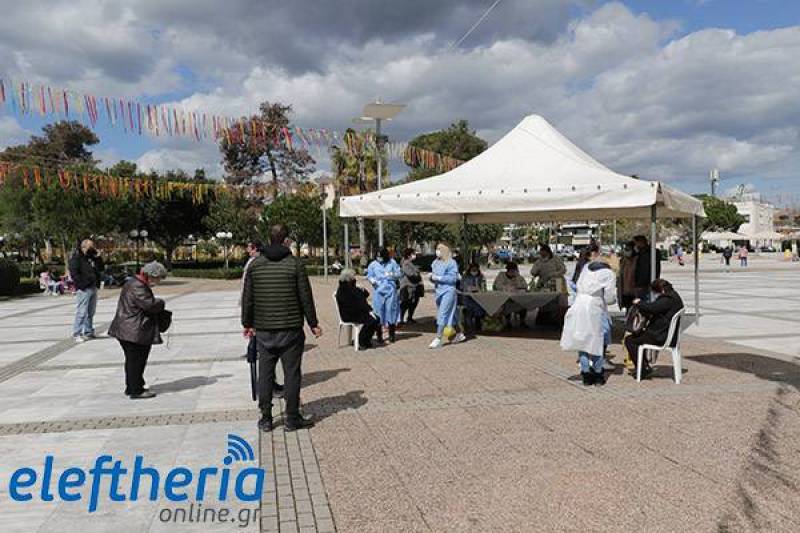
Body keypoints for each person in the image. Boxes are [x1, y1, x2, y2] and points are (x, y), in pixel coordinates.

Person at [242, 224, 322, 433]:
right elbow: (305, 296)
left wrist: (247, 324)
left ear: (269, 238)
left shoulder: (255, 265)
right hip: (291, 329)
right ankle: (292, 418)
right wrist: (313, 323)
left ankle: (266, 418)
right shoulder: (295, 264)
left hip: (264, 329)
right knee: (292, 374)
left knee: (265, 374)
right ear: (286, 241)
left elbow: (248, 298)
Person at [108, 261, 167, 399]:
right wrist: (161, 302)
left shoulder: (134, 282)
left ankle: (133, 386)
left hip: (128, 328)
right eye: (158, 278)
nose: (158, 282)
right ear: (150, 275)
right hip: (133, 330)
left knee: (133, 360)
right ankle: (136, 390)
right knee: (137, 360)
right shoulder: (138, 286)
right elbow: (150, 305)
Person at [560, 244, 616, 386]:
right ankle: (598, 374)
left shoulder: (586, 268)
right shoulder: (609, 273)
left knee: (582, 339)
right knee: (596, 340)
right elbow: (609, 298)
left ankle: (586, 374)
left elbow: (577, 285)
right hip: (595, 306)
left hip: (579, 304)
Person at [241, 240, 284, 398]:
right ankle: (268, 388)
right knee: (267, 358)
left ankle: (268, 388)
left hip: (259, 316)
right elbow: (248, 293)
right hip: (263, 318)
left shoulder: (254, 264)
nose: (247, 249)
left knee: (266, 357)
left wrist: (247, 321)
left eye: (249, 247)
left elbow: (247, 295)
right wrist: (248, 322)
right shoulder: (256, 264)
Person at [624, 279, 684, 379]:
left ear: (660, 290)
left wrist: (639, 303)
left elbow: (652, 308)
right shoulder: (674, 296)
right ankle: (644, 366)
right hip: (667, 334)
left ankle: (642, 369)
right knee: (637, 337)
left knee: (630, 340)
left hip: (661, 336)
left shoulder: (667, 300)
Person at [429, 243, 466, 349]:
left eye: (439, 249)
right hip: (438, 292)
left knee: (442, 314)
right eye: (436, 249)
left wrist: (439, 278)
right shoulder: (435, 262)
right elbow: (434, 277)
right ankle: (459, 333)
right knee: (451, 314)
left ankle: (438, 338)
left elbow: (453, 279)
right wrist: (431, 278)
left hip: (449, 291)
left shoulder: (451, 263)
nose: (437, 251)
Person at [68, 239, 105, 342]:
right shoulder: (77, 258)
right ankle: (77, 333)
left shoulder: (92, 257)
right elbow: (74, 273)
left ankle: (88, 331)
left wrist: (98, 257)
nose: (92, 248)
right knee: (82, 311)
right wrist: (81, 285)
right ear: (83, 247)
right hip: (84, 288)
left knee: (91, 311)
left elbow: (101, 268)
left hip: (93, 286)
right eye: (91, 247)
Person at [335, 269, 382, 349]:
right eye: (354, 277)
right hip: (349, 315)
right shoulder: (346, 289)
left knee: (376, 318)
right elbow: (359, 302)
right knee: (372, 320)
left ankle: (366, 340)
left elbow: (365, 295)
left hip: (354, 312)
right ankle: (362, 340)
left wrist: (362, 289)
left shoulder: (350, 287)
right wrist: (368, 310)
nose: (355, 278)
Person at [367, 248, 401, 343]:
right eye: (377, 256)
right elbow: (369, 275)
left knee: (391, 311)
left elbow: (399, 273)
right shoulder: (373, 265)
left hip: (390, 289)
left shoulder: (392, 263)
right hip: (379, 290)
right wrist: (373, 281)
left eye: (381, 256)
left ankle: (391, 334)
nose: (379, 258)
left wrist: (392, 274)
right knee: (378, 312)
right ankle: (379, 335)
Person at [492, 261, 529, 329]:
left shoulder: (518, 277)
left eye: (514, 270)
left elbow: (525, 286)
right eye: (511, 271)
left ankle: (522, 321)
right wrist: (507, 287)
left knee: (524, 304)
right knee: (506, 305)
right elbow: (497, 286)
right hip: (505, 299)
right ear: (508, 270)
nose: (513, 272)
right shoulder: (501, 276)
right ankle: (508, 322)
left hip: (517, 299)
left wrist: (517, 281)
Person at [632, 235, 661, 302]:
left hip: (645, 284)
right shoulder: (640, 253)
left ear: (641, 242)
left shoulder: (648, 253)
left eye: (636, 243)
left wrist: (640, 284)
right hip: (643, 284)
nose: (635, 245)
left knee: (645, 302)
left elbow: (644, 270)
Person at [398, 248, 423, 325]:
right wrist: (417, 275)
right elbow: (410, 274)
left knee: (414, 303)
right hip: (407, 287)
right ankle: (401, 319)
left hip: (414, 286)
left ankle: (410, 318)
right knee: (405, 303)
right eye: (413, 254)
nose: (415, 255)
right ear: (409, 255)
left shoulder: (412, 263)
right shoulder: (405, 263)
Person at [461, 262, 487, 333]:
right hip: (467, 298)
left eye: (476, 270)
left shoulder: (481, 276)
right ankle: (468, 326)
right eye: (473, 270)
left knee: (481, 307)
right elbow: (462, 286)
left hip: (479, 298)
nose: (474, 271)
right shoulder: (465, 276)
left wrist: (479, 288)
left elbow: (484, 287)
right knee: (469, 308)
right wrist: (469, 288)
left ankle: (478, 322)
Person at [617, 241, 637, 312]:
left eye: (628, 249)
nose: (626, 251)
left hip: (635, 290)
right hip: (625, 290)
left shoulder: (637, 260)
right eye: (625, 249)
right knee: (628, 309)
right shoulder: (623, 260)